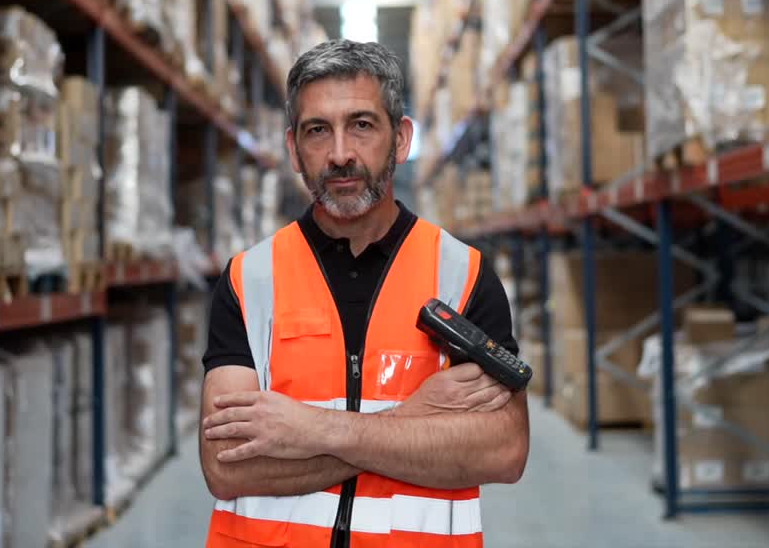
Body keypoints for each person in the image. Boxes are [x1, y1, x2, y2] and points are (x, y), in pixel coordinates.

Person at [200, 39, 530, 548]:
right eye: (317, 131)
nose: (340, 154)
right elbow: (226, 467)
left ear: (400, 139)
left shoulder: (463, 276)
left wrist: (312, 430)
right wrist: (413, 422)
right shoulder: (250, 280)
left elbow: (504, 452)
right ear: (292, 149)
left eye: (361, 124)